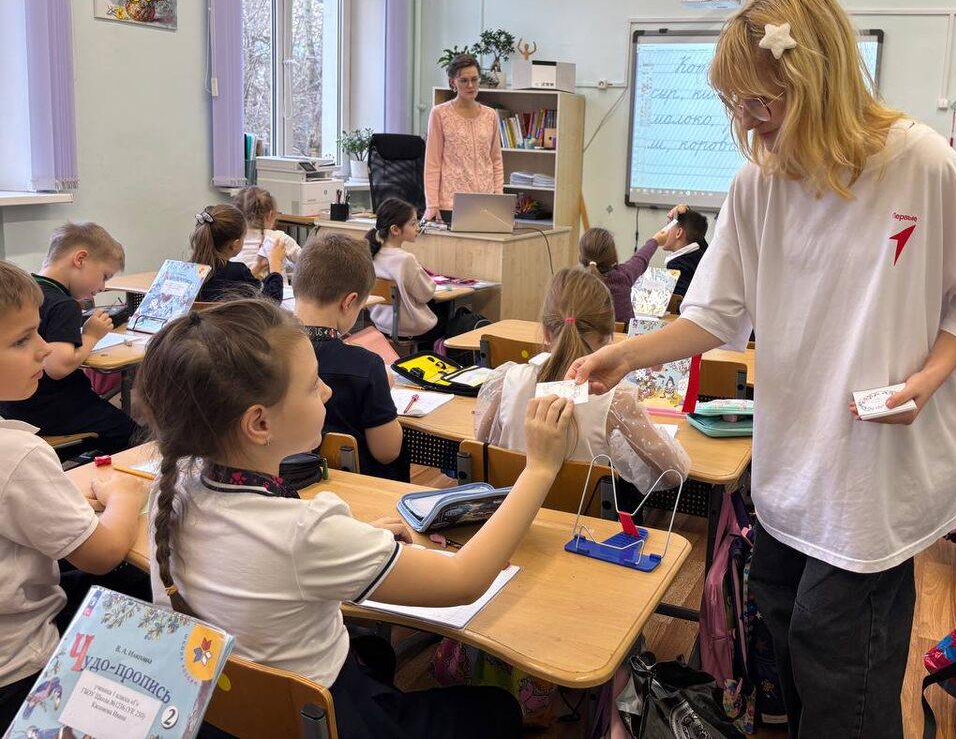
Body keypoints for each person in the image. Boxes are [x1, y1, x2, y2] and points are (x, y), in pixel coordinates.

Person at [568, 0, 956, 738]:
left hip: (870, 472)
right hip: (789, 468)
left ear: (817, 80)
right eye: (735, 105)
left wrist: (927, 380)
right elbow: (715, 313)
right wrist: (626, 354)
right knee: (785, 637)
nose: (747, 122)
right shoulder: (758, 185)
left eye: (761, 103)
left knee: (844, 669)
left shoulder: (924, 166)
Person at [141, 297, 571, 739]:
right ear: (259, 424)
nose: (327, 391)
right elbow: (465, 580)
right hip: (329, 720)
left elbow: (269, 562)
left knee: (374, 654)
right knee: (497, 708)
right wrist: (539, 469)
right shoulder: (306, 533)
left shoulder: (173, 486)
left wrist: (354, 541)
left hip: (223, 715)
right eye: (313, 385)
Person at [0, 261, 148, 728]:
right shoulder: (17, 453)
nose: (44, 347)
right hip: (21, 669)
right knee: (135, 583)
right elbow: (102, 555)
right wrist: (125, 495)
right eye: (22, 340)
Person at [475, 267, 690, 493]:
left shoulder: (506, 382)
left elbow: (484, 449)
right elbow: (675, 472)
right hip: (585, 516)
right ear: (607, 337)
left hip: (512, 510)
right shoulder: (616, 400)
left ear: (546, 333)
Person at [0, 223, 137, 452]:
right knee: (136, 437)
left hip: (12, 407)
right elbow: (58, 366)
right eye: (104, 276)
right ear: (80, 259)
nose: (103, 287)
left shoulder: (26, 292)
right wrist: (91, 336)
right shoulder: (65, 305)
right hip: (55, 408)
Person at [292, 234, 404, 479]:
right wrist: (383, 388)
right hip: (359, 490)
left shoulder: (264, 351)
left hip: (284, 485)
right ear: (349, 302)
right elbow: (387, 452)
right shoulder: (366, 366)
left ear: (295, 285)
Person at [423, 53, 504, 224]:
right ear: (453, 82)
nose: (470, 85)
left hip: (487, 203)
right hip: (451, 205)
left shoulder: (490, 115)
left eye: (474, 79)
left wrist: (499, 197)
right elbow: (432, 163)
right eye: (464, 81)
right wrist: (432, 205)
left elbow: (496, 161)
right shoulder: (439, 114)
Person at [367, 199, 442, 344]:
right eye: (413, 224)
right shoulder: (406, 259)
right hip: (410, 329)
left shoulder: (372, 253)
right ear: (395, 229)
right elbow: (426, 294)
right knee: (453, 318)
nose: (418, 228)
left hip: (382, 325)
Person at [191, 204, 284, 303]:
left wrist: (258, 266)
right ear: (235, 244)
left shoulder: (191, 270)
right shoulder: (237, 271)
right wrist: (275, 265)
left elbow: (241, 285)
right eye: (244, 236)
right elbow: (271, 300)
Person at [578, 225, 669, 325]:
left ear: (581, 256)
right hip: (625, 334)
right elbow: (641, 258)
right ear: (613, 255)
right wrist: (655, 241)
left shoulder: (574, 283)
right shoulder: (623, 276)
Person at [231, 186, 303, 276]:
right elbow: (306, 261)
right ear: (270, 215)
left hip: (239, 284)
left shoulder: (232, 240)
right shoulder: (279, 238)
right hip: (276, 284)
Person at [661, 205, 710, 298]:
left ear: (678, 233)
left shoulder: (677, 266)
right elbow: (699, 239)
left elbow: (677, 301)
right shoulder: (702, 255)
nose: (663, 230)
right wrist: (687, 210)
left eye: (668, 225)